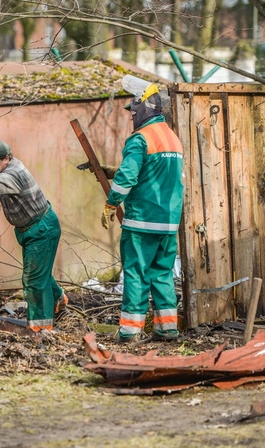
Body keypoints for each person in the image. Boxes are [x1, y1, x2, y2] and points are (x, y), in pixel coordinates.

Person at [98, 80, 184, 343]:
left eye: (134, 111)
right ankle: (167, 328)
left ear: (145, 108)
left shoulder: (140, 139)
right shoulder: (172, 138)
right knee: (162, 273)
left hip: (142, 222)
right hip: (168, 223)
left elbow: (126, 178)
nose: (132, 115)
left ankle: (130, 331)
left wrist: (111, 205)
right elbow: (156, 174)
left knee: (136, 273)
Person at [0, 140, 67, 332]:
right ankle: (58, 299)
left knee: (33, 280)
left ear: (6, 158)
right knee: (39, 272)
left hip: (42, 229)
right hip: (29, 229)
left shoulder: (14, 175)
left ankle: (41, 329)